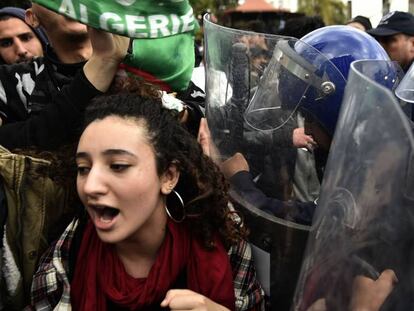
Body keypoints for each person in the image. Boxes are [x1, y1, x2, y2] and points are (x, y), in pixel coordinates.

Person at [28, 92, 265, 310]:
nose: (90, 186)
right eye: (83, 168)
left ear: (168, 176)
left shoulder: (222, 235)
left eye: (118, 166)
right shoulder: (69, 253)